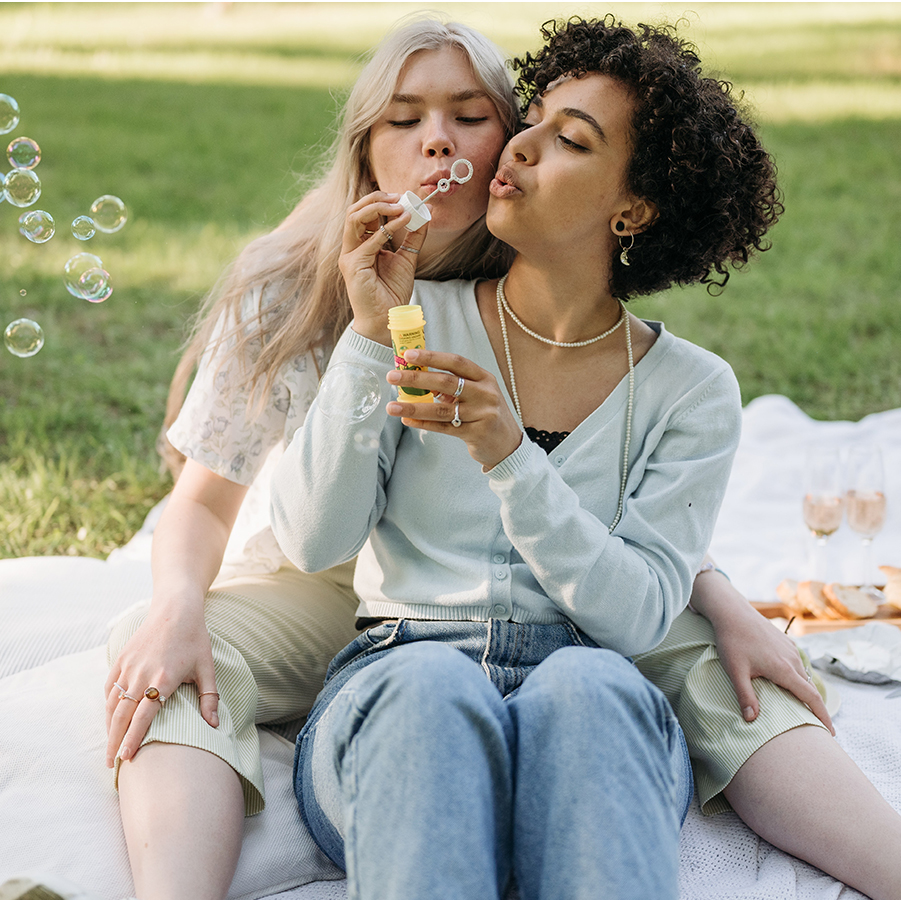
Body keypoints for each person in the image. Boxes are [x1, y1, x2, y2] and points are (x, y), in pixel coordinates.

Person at [105, 13, 901, 900]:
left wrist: (714, 594)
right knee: (318, 676)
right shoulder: (360, 298)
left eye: (482, 119)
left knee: (627, 681)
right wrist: (371, 337)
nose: (443, 144)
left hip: (578, 629)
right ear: (364, 147)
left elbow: (629, 563)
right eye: (402, 120)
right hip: (366, 614)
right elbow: (284, 525)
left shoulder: (661, 365)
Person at [268, 15, 770, 898]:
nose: (520, 146)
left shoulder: (688, 391)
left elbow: (637, 616)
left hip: (589, 697)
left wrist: (509, 459)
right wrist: (367, 336)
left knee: (586, 685)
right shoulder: (417, 314)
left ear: (633, 210)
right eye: (530, 119)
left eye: (569, 139)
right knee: (428, 685)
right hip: (396, 679)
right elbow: (312, 539)